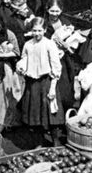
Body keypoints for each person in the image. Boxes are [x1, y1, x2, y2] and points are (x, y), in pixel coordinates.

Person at [17, 17, 63, 145]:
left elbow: (56, 66)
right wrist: (21, 68)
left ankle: (55, 140)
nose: (37, 33)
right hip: (32, 83)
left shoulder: (49, 44)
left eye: (39, 30)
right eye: (34, 30)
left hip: (46, 82)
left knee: (50, 111)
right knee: (35, 112)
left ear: (45, 30)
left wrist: (53, 86)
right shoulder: (28, 45)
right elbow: (24, 60)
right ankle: (39, 141)